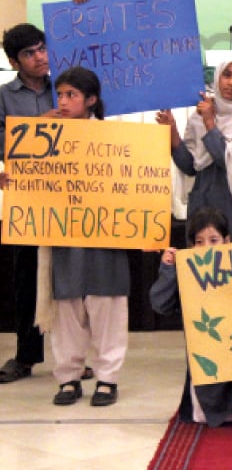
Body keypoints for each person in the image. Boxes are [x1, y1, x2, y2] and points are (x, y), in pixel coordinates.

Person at [42, 67, 129, 406]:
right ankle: (68, 377)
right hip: (63, 238)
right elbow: (31, 181)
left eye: (71, 95)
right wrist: (14, 179)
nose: (62, 102)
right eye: (59, 95)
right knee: (67, 310)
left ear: (91, 100)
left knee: (107, 308)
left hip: (105, 239)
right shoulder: (43, 137)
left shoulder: (114, 139)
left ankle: (107, 378)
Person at [150, 207, 232, 428]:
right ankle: (225, 407)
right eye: (199, 242)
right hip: (208, 359)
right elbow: (160, 305)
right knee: (212, 415)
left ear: (227, 241)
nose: (206, 248)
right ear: (191, 246)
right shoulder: (187, 275)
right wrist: (168, 270)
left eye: (213, 240)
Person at [0, 23, 55, 383]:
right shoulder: (4, 96)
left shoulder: (67, 86)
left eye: (42, 48)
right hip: (27, 197)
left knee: (69, 280)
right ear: (13, 61)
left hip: (76, 193)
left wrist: (84, 7)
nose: (39, 57)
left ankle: (73, 356)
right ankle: (25, 356)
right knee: (26, 277)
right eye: (29, 53)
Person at [156, 60, 232, 242]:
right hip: (202, 203)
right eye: (226, 75)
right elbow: (189, 166)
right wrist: (172, 130)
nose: (231, 83)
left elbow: (227, 161)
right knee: (203, 264)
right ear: (217, 77)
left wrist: (210, 124)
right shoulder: (200, 115)